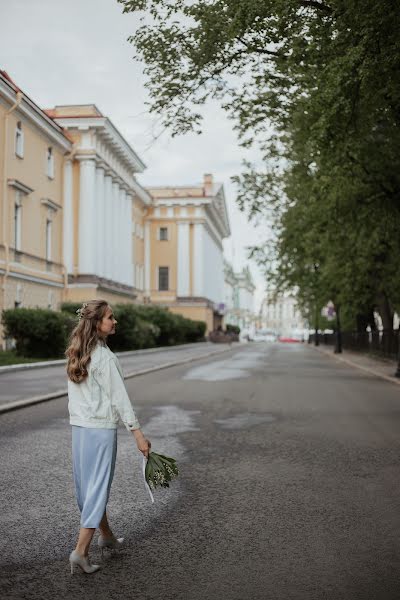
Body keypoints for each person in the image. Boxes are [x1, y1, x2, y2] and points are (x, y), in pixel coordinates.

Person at [65, 299, 151, 574]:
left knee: (86, 487)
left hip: (79, 429)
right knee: (98, 488)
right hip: (100, 430)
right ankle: (80, 552)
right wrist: (138, 435)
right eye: (110, 318)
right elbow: (120, 400)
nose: (114, 322)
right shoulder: (105, 358)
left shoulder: (79, 351)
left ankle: (107, 536)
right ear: (97, 323)